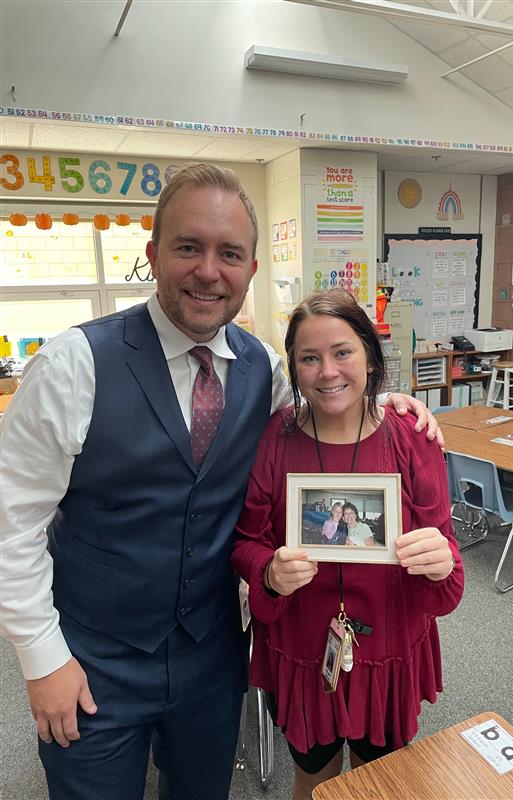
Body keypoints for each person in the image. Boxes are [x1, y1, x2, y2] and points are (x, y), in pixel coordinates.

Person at [0, 163, 442, 800]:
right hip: (94, 661)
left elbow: (329, 401)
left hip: (212, 656)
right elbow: (14, 526)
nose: (209, 271)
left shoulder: (262, 367)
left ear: (251, 270)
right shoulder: (74, 364)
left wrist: (391, 401)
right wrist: (41, 659)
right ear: (153, 255)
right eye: (189, 247)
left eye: (229, 253)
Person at [231, 288, 464, 800]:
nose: (328, 371)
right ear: (293, 367)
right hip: (303, 649)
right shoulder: (277, 437)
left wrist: (441, 561)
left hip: (388, 650)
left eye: (342, 352)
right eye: (309, 358)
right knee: (313, 781)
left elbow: (448, 580)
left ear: (369, 355)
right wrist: (268, 571)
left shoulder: (412, 439)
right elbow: (247, 543)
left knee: (380, 783)